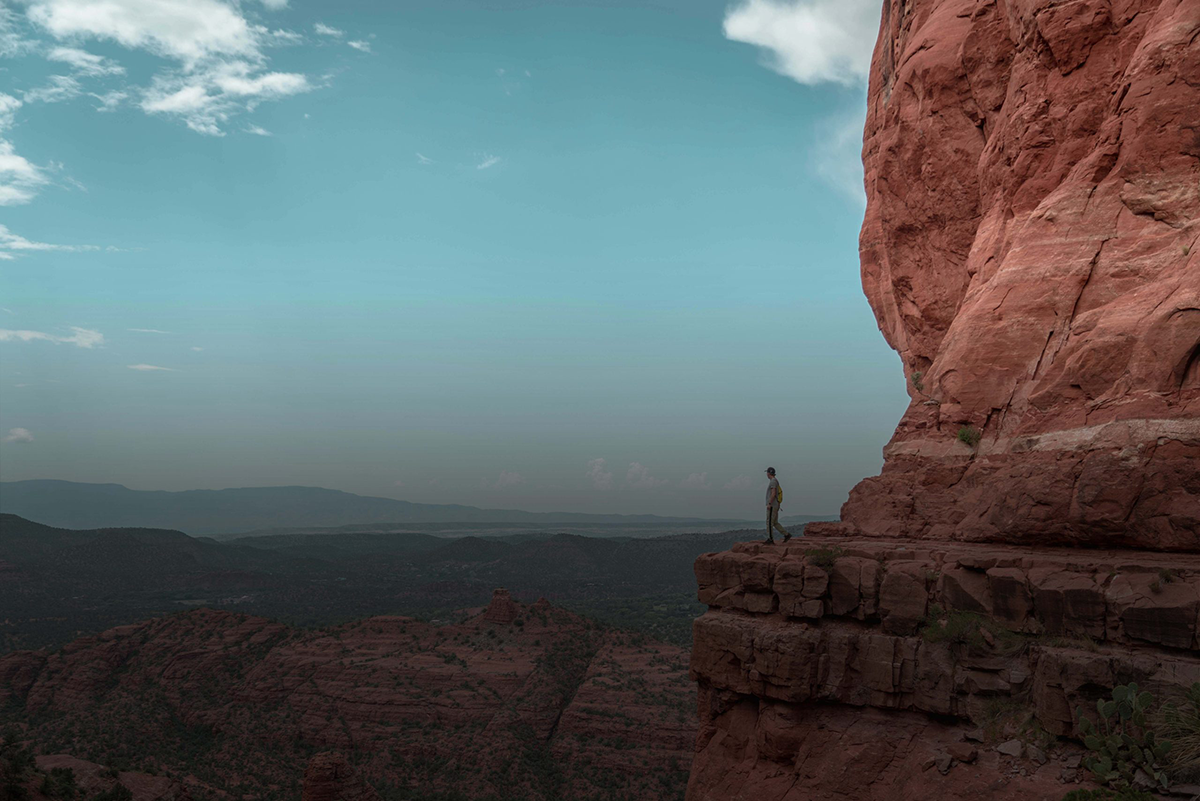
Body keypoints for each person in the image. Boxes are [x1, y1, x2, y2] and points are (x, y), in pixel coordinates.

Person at [764, 467, 790, 544]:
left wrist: (769, 503)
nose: (767, 474)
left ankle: (770, 539)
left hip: (772, 505)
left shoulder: (773, 482)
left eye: (767, 473)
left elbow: (773, 493)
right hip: (776, 504)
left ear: (769, 473)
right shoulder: (775, 481)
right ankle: (786, 534)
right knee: (775, 522)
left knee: (769, 522)